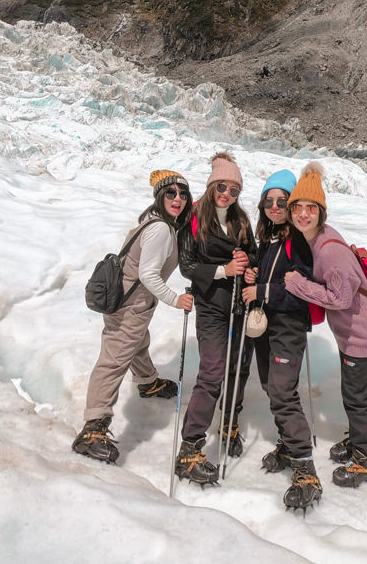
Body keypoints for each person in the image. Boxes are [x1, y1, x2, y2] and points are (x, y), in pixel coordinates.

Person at [73, 170, 195, 464]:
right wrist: (175, 299)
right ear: (159, 196)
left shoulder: (155, 222)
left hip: (130, 302)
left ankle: (148, 382)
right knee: (114, 359)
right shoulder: (160, 230)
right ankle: (92, 429)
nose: (178, 199)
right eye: (171, 193)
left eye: (183, 194)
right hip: (131, 304)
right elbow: (148, 274)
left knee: (138, 343)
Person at [283, 162, 367, 488]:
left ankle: (365, 459)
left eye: (311, 208)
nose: (303, 214)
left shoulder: (328, 251)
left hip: (359, 334)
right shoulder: (320, 237)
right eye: (297, 207)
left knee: (356, 398)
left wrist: (298, 284)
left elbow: (340, 298)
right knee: (358, 392)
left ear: (321, 212)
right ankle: (358, 439)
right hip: (356, 330)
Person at [174, 152, 256, 486]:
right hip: (211, 306)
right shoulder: (194, 218)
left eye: (234, 190)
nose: (227, 195)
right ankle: (190, 447)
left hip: (239, 305)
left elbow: (253, 254)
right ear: (212, 185)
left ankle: (229, 424)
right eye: (222, 187)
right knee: (212, 373)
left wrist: (248, 265)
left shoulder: (241, 220)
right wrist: (224, 269)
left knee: (238, 368)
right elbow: (186, 265)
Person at [241, 169, 321, 510]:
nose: (274, 207)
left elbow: (301, 291)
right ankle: (289, 444)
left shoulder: (299, 241)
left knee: (282, 391)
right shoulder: (270, 238)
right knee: (272, 387)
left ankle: (306, 469)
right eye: (268, 201)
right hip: (267, 324)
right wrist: (254, 272)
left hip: (288, 324)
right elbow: (273, 276)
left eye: (282, 201)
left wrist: (261, 290)